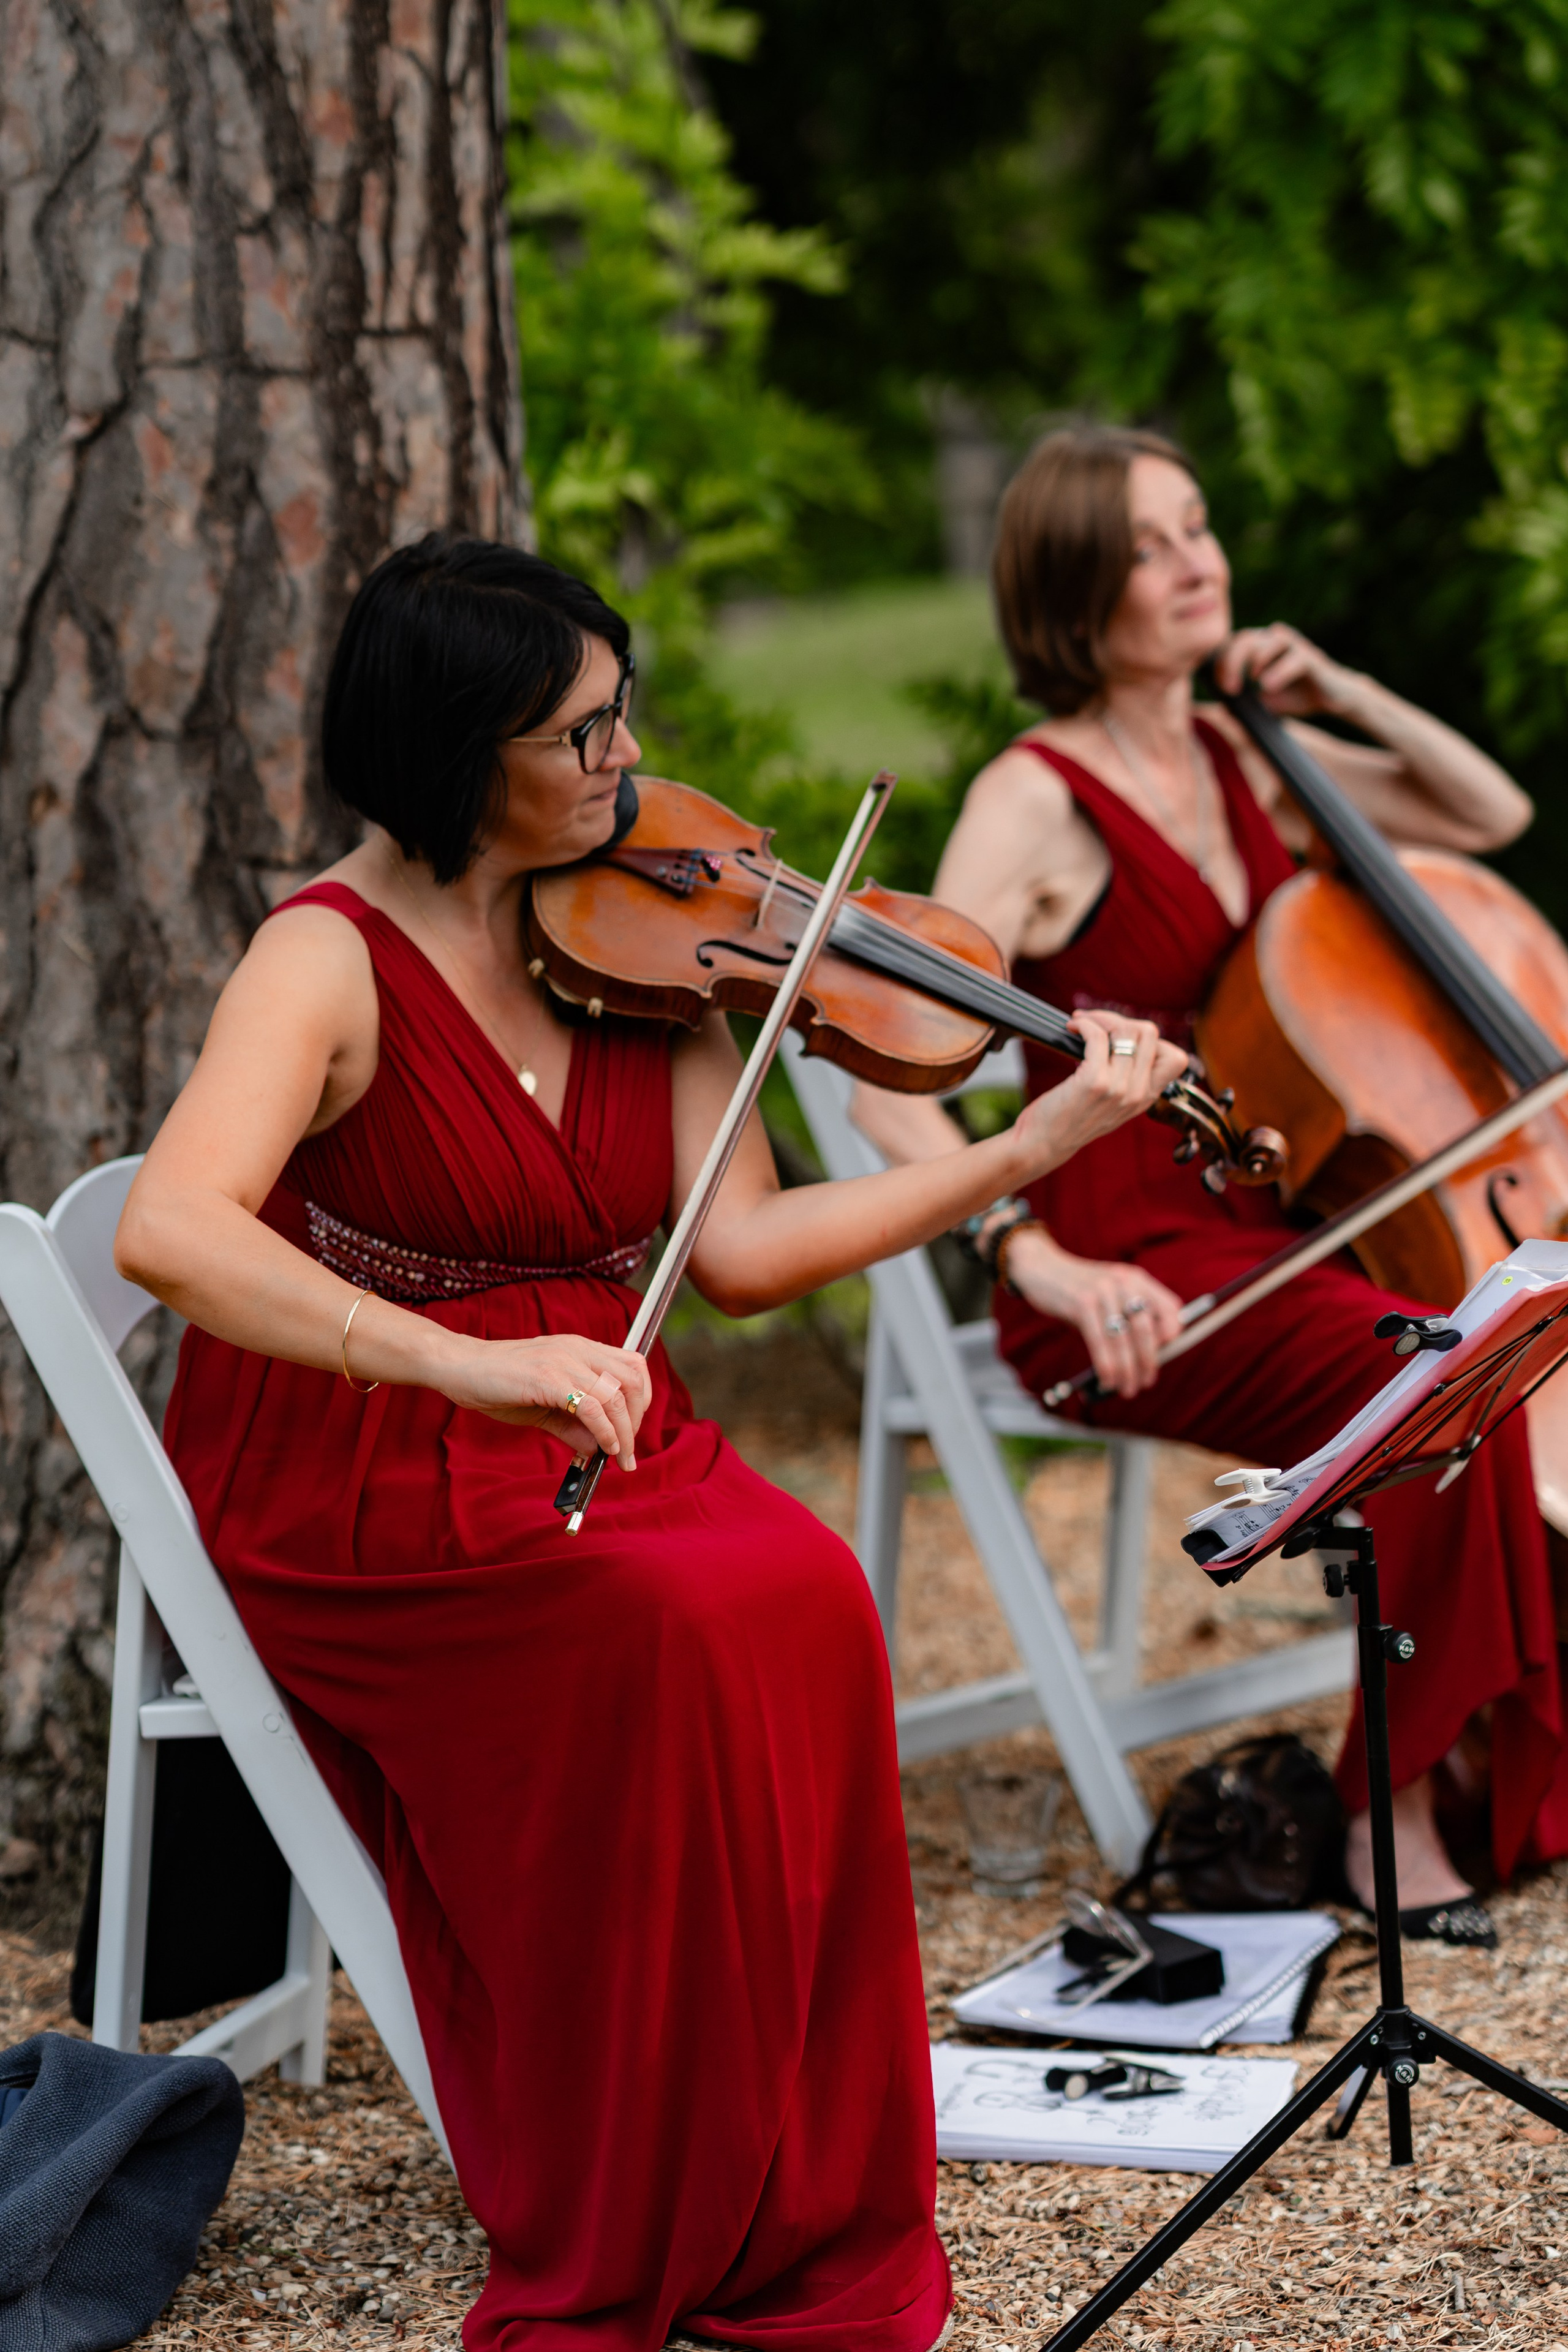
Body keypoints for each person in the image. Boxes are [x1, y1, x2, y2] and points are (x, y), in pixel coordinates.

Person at [114, 534, 1186, 2352]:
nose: (630, 765)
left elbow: (742, 1253)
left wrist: (1021, 1155)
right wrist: (464, 1365)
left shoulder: (642, 938)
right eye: (581, 737)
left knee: (812, 1594)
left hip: (601, 1423)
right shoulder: (323, 961)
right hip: (367, 1459)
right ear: (457, 756)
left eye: (624, 717)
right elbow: (169, 1230)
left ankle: (780, 2166)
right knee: (670, 1632)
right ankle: (642, 2176)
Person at [854, 424, 1568, 1943]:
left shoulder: (1248, 758)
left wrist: (1341, 693)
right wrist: (1031, 1257)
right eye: (1150, 546)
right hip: (1121, 1273)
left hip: (1278, 1236)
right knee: (1424, 1378)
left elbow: (1486, 816)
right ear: (1074, 592)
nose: (1197, 563)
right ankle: (1385, 1822)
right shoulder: (1032, 802)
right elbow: (880, 1085)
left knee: (1482, 1350)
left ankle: (1461, 1760)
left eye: (1197, 528)